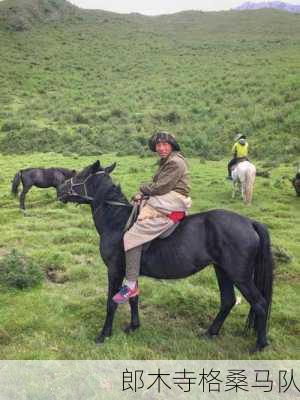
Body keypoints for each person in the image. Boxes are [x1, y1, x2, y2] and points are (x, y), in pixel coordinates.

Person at [113, 131, 192, 303]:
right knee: (139, 205)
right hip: (167, 197)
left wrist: (143, 188)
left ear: (172, 146)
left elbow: (160, 188)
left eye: (165, 145)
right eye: (158, 145)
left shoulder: (175, 162)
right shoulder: (169, 160)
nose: (161, 148)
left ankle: (131, 284)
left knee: (131, 236)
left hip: (171, 201)